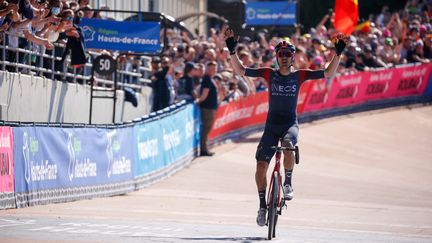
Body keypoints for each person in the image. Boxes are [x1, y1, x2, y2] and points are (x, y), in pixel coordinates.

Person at [224, 28, 347, 227]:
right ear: (276, 57)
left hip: (290, 124)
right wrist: (231, 50)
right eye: (280, 54)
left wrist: (338, 54)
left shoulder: (299, 75)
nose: (283, 57)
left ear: (292, 57)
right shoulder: (268, 73)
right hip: (271, 126)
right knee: (261, 166)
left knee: (289, 144)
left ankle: (288, 181)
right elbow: (240, 71)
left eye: (287, 54)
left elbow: (327, 72)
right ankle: (263, 206)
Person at [196, 61, 219, 156]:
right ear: (208, 69)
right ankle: (203, 150)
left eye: (215, 68)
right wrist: (199, 101)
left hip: (210, 107)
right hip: (207, 108)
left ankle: (205, 148)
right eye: (212, 68)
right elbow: (204, 93)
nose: (214, 70)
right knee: (206, 129)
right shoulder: (207, 79)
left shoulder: (210, 79)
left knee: (207, 129)